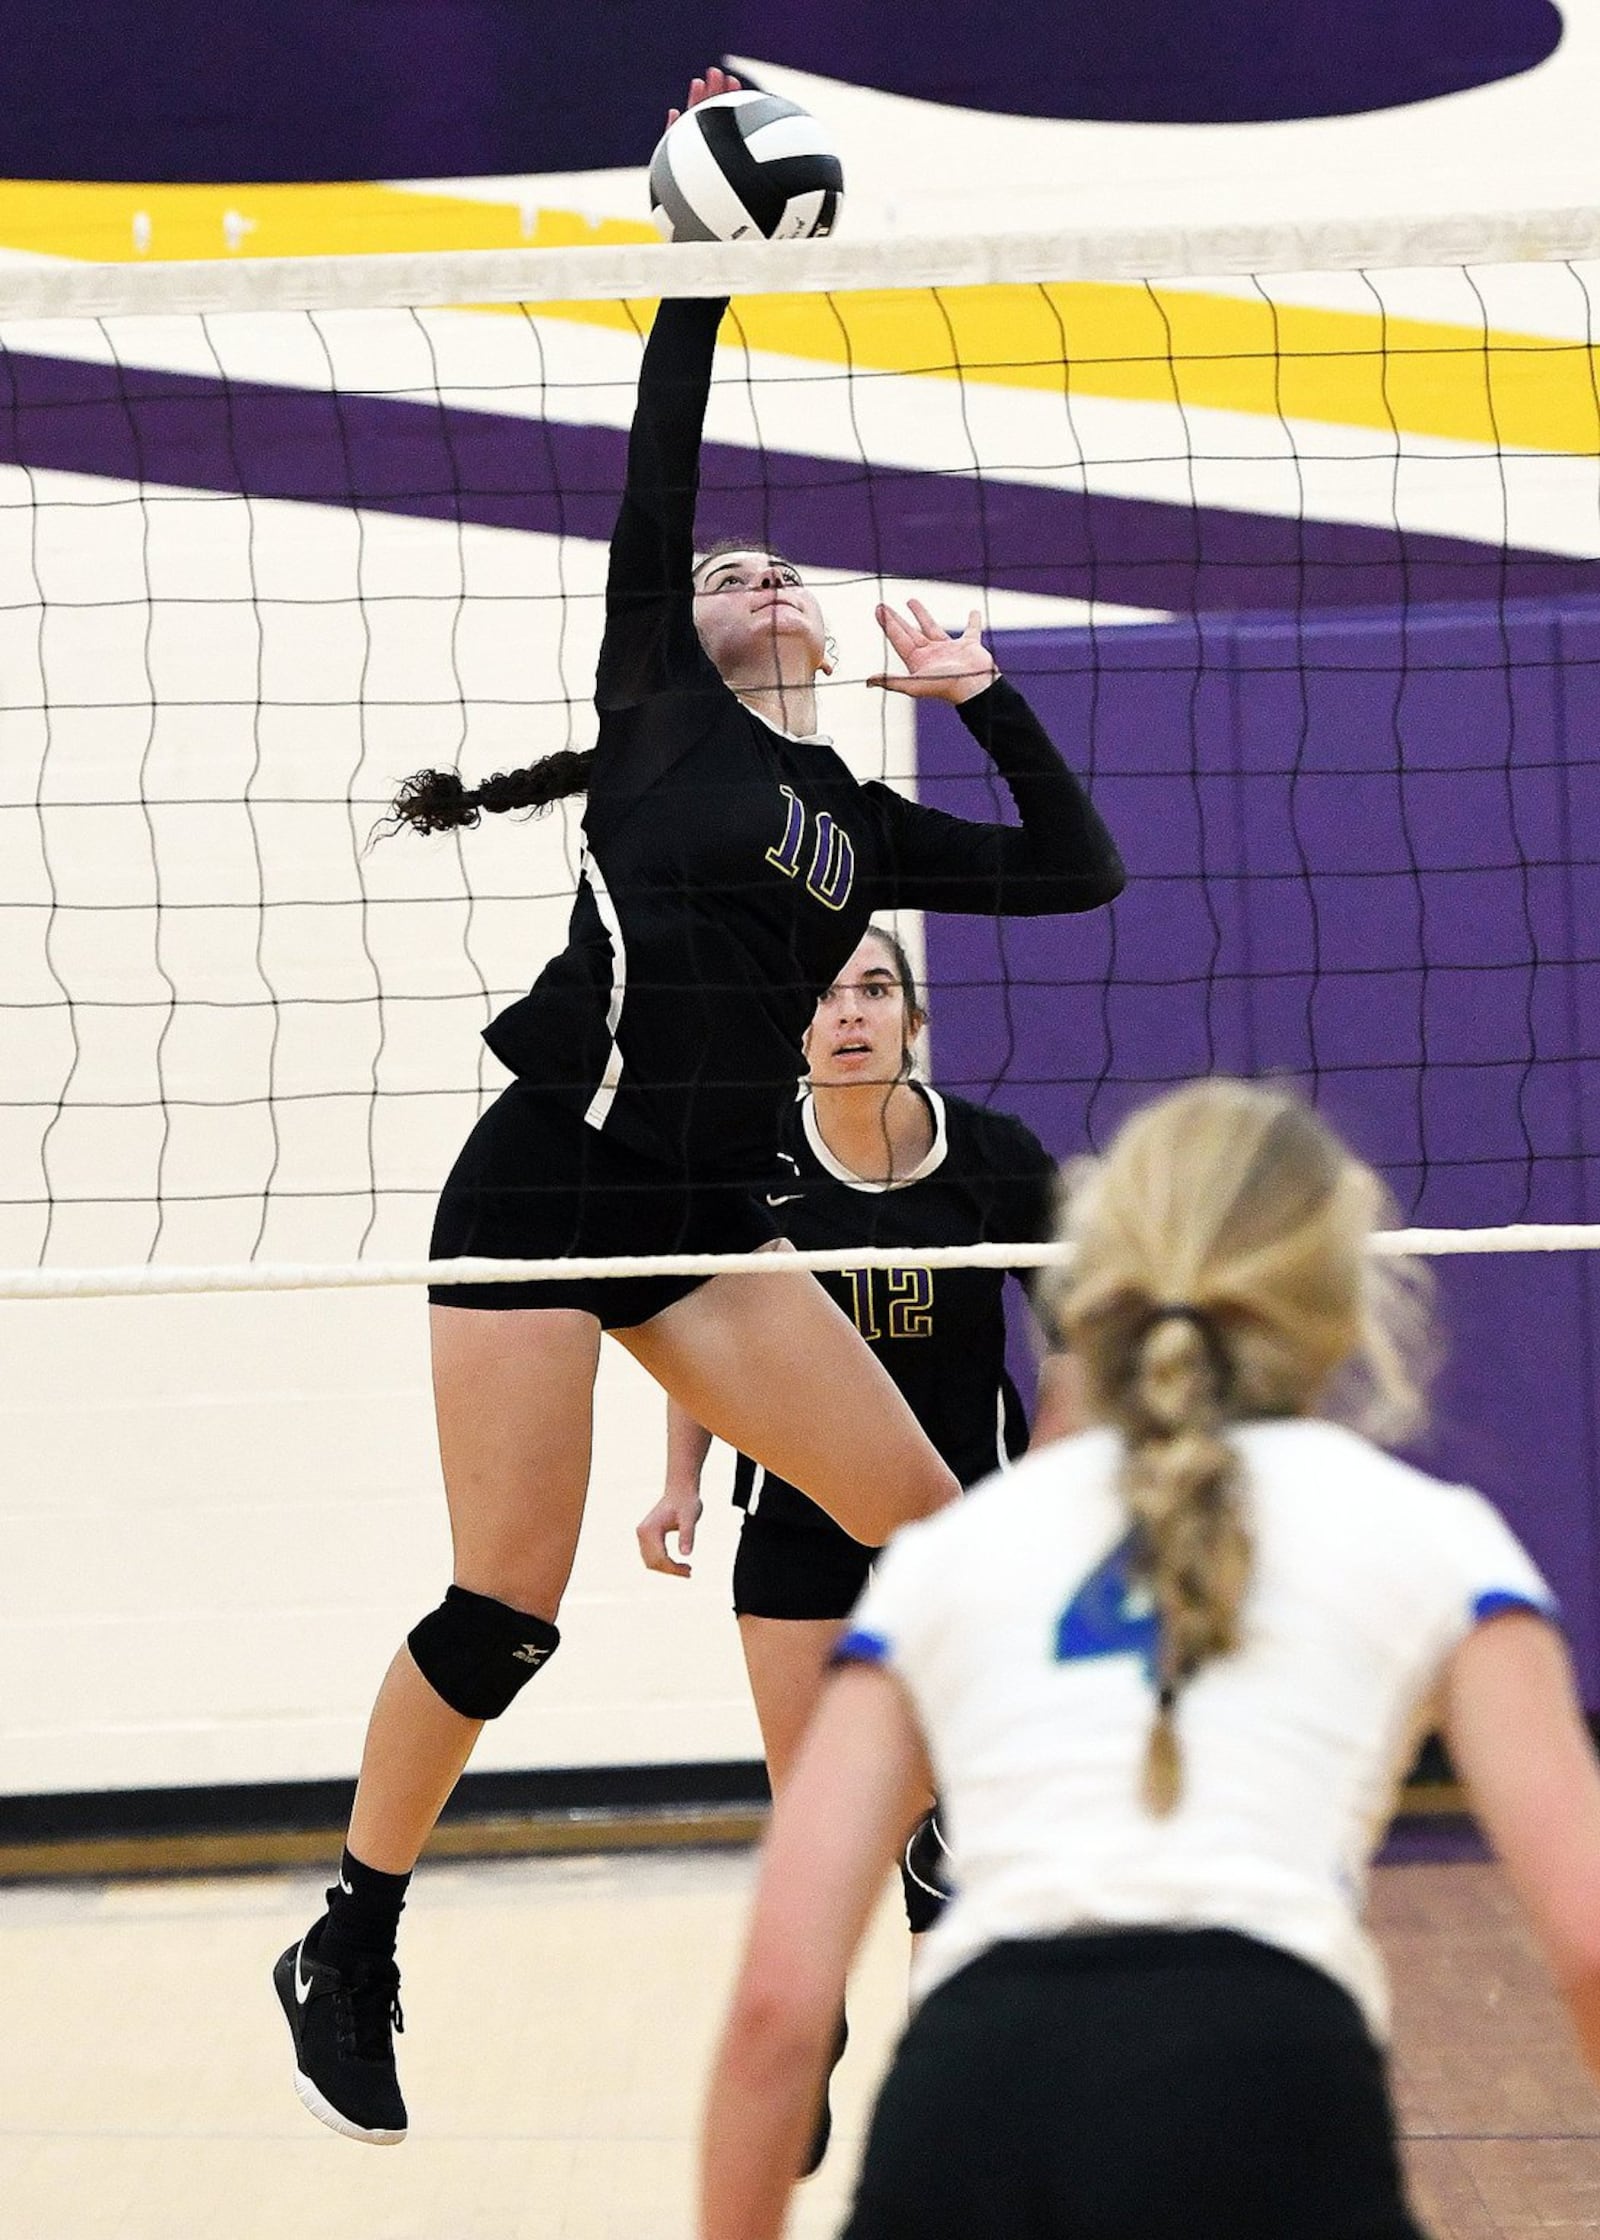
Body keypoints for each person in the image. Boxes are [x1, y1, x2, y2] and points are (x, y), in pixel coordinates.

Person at [272, 65, 1124, 2148]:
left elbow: (1078, 870)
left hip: (699, 1217)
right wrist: (697, 261)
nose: (746, 571)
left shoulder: (848, 814)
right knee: (509, 1609)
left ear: (818, 633)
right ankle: (354, 1930)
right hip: (546, 1183)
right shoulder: (653, 714)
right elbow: (658, 467)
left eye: (771, 567)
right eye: (722, 568)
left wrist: (982, 699)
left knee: (925, 1531)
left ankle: (921, 1848)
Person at [700, 1078, 1600, 2240]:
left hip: (972, 2086)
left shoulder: (949, 1555)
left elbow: (779, 2007)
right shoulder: (1436, 1541)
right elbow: (1585, 1939)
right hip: (1272, 2073)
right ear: (1342, 1290)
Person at [639, 920, 1082, 2169]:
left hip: (949, 1535)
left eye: (874, 988)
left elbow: (1076, 1345)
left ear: (911, 1018)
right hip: (796, 1539)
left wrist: (1037, 1496)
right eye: (822, 993)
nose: (848, 1013)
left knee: (948, 1827)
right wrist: (679, 1478)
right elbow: (709, 1330)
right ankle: (817, 2019)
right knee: (820, 1816)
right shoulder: (748, 1152)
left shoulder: (995, 1158)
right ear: (793, 1025)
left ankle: (960, 2095)